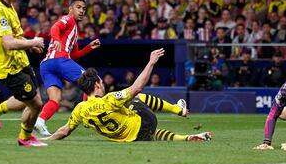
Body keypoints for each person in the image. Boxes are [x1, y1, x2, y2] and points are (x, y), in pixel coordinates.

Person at [45, 49, 212, 143]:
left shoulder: (80, 110)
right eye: (101, 82)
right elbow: (137, 87)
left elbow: (64, 131)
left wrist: (47, 139)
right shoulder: (109, 99)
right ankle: (178, 111)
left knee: (145, 129)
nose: (102, 85)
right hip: (145, 123)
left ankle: (186, 137)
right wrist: (151, 62)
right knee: (136, 98)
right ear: (96, 84)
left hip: (130, 137)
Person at [0, 0, 47, 147]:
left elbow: (16, 37)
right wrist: (33, 41)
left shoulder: (9, 6)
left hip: (21, 62)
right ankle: (24, 137)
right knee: (35, 104)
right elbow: (9, 43)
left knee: (29, 100)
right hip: (9, 67)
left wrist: (30, 44)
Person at [34, 0, 101, 136]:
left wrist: (88, 47)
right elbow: (55, 27)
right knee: (92, 81)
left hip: (46, 66)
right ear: (70, 9)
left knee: (55, 99)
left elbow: (74, 55)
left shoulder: (74, 31)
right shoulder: (68, 19)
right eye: (78, 7)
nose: (82, 10)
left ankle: (40, 122)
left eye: (83, 8)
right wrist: (57, 40)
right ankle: (87, 116)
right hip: (59, 60)